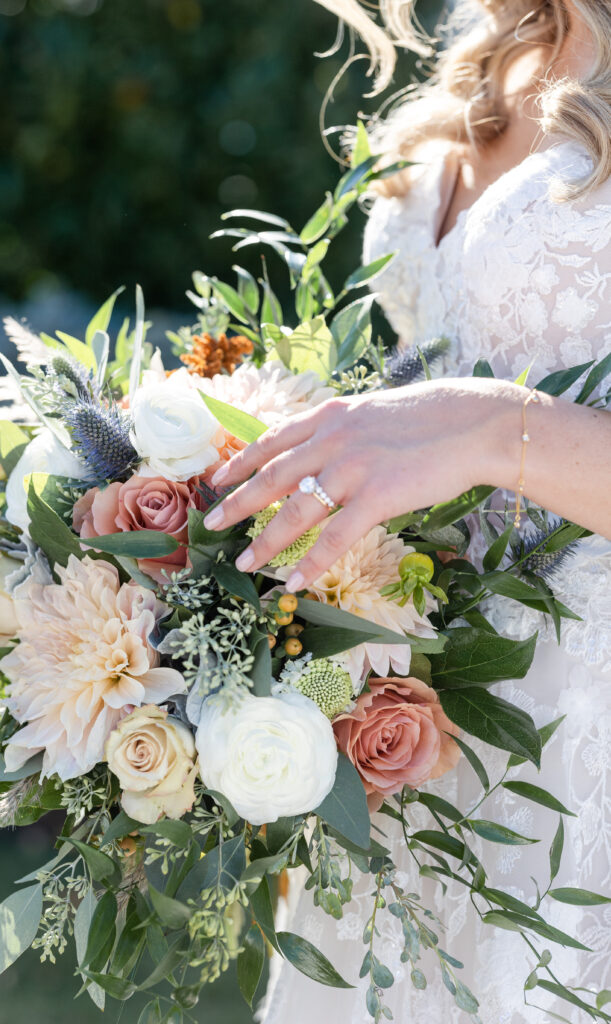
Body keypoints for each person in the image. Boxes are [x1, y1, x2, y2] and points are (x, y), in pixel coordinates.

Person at [203, 1, 611, 1020]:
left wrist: (492, 429)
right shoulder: (492, 41)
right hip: (419, 722)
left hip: (583, 744)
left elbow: (469, 416)